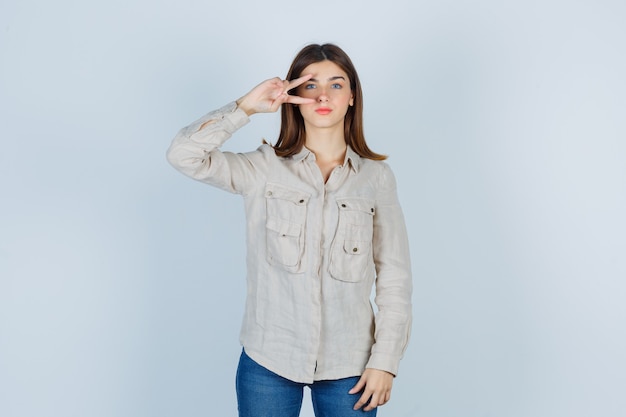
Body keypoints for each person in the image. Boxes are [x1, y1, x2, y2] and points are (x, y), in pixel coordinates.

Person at [167, 43, 412, 417]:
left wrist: (386, 360)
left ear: (351, 97)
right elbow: (183, 155)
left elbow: (395, 276)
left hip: (352, 366)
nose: (323, 96)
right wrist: (245, 107)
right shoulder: (263, 169)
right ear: (294, 95)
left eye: (336, 84)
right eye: (310, 85)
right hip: (269, 360)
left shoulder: (376, 179)